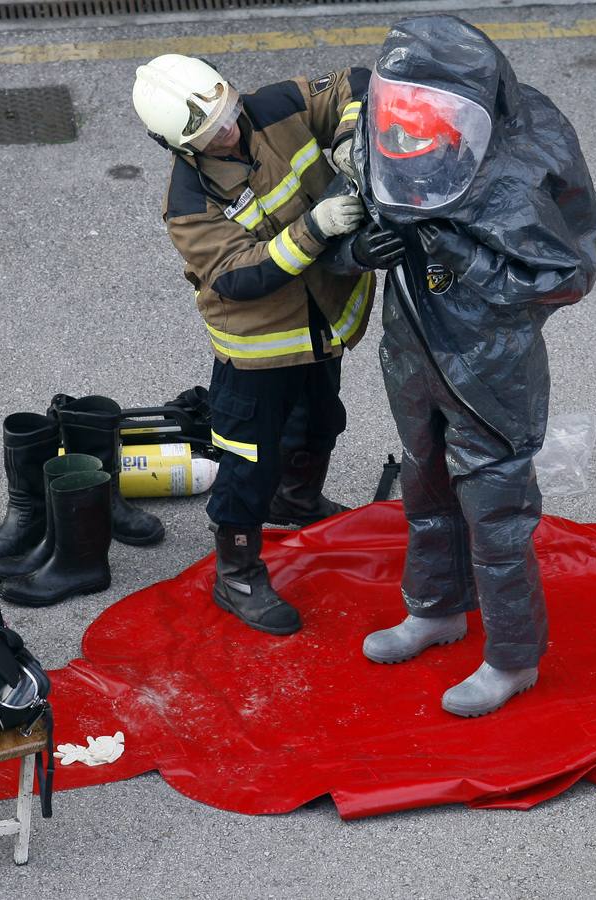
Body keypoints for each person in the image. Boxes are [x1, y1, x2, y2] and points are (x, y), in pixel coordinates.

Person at [350, 16, 596, 716]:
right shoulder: (389, 130)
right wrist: (359, 250)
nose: (409, 132)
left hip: (489, 369)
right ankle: (435, 610)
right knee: (424, 486)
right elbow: (360, 201)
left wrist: (462, 255)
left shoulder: (522, 168)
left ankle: (513, 658)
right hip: (412, 347)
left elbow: (564, 275)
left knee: (497, 518)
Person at [132, 55, 376, 635]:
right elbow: (238, 277)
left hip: (319, 327)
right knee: (249, 461)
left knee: (320, 422)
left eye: (227, 112)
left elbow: (360, 80)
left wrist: (348, 137)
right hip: (259, 350)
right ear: (178, 146)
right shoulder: (189, 202)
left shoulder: (275, 106)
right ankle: (237, 573)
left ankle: (297, 501)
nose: (228, 130)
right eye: (209, 132)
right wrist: (316, 228)